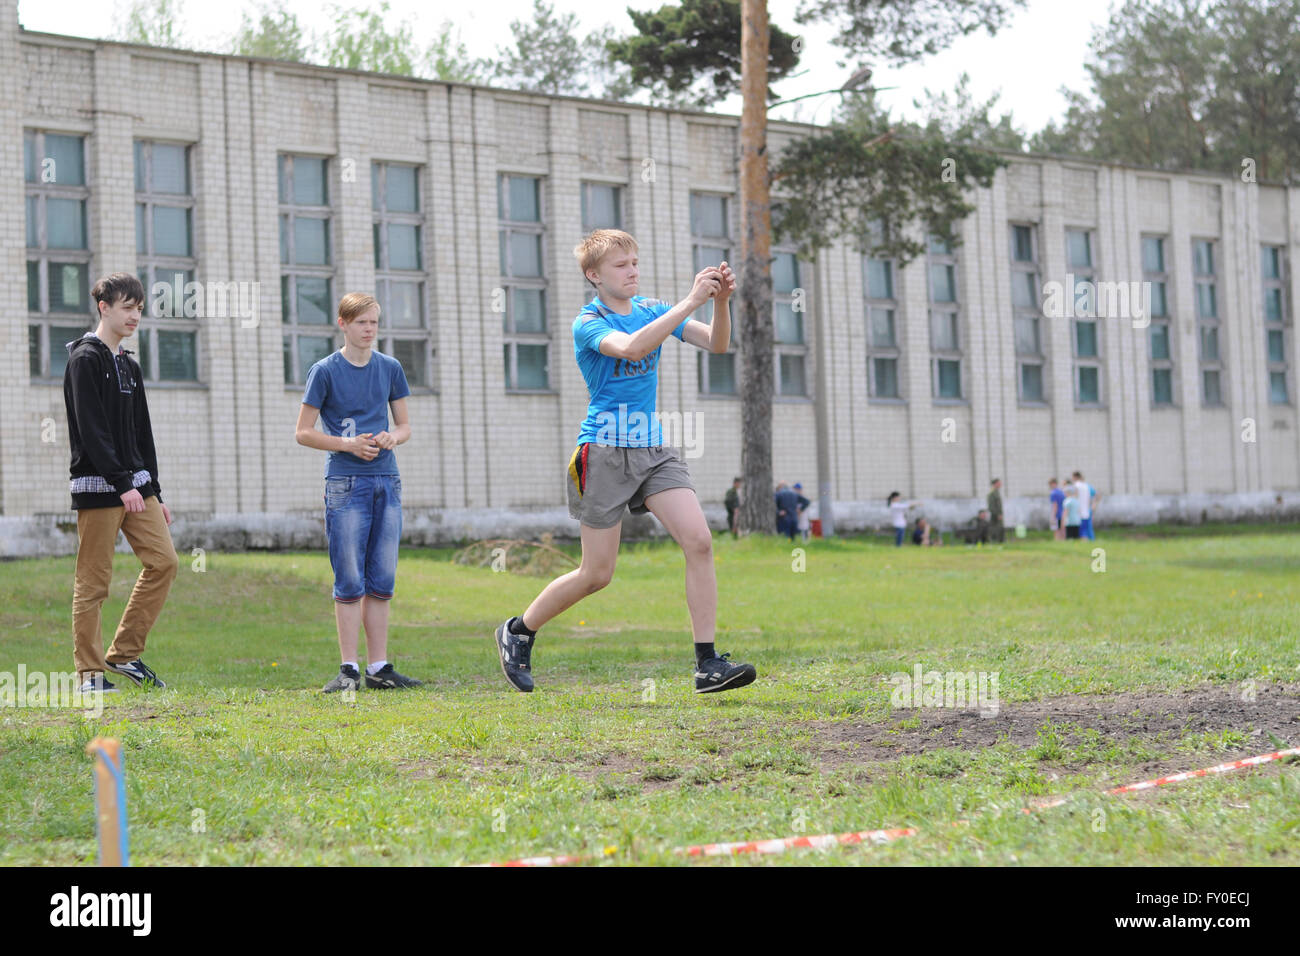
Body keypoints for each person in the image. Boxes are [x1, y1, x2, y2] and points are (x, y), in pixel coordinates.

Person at [493, 229, 756, 695]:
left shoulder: (654, 309)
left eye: (635, 261)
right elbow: (632, 348)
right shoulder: (588, 322)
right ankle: (519, 630)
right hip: (604, 453)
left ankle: (707, 663)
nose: (632, 270)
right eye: (621, 265)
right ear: (594, 275)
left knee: (698, 541)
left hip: (653, 451)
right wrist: (691, 299)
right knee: (597, 574)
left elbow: (717, 345)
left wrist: (720, 302)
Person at [296, 293, 422, 693]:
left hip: (387, 480)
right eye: (362, 323)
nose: (369, 330)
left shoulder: (390, 368)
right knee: (349, 578)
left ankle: (379, 667)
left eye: (374, 323)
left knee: (382, 576)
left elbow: (404, 426)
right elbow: (303, 432)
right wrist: (347, 445)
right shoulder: (325, 371)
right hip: (344, 484)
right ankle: (348, 668)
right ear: (343, 324)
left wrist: (391, 437)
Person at [64, 273, 179, 693]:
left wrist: (155, 492)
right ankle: (89, 673)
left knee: (164, 561)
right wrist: (120, 481)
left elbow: (141, 433)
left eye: (140, 308)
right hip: (99, 487)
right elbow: (91, 429)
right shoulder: (84, 358)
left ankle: (124, 654)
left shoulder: (128, 364)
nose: (135, 315)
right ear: (104, 307)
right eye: (127, 307)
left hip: (137, 486)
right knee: (94, 581)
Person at [1072, 470, 1099, 540]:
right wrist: (1094, 505)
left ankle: (1087, 541)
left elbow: (1075, 497)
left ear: (1075, 477)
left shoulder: (1077, 485)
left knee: (1082, 530)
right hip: (1086, 510)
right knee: (1087, 528)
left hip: (1080, 511)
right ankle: (1091, 540)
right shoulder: (1086, 486)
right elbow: (1096, 495)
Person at [987, 478, 1005, 543]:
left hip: (998, 514)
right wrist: (997, 514)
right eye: (998, 483)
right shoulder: (992, 493)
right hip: (994, 515)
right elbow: (991, 506)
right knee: (994, 529)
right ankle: (993, 541)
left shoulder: (997, 492)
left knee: (1000, 528)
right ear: (995, 484)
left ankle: (1000, 542)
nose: (1000, 484)